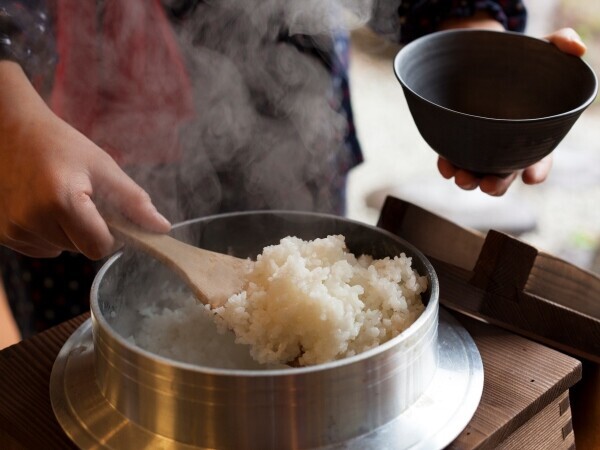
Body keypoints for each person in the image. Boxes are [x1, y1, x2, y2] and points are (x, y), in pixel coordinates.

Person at [0, 1, 587, 339]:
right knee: (87, 330)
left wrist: (468, 31)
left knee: (305, 278)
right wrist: (10, 116)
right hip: (57, 117)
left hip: (296, 95)